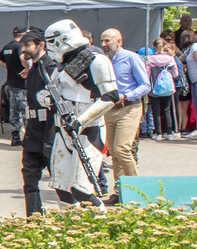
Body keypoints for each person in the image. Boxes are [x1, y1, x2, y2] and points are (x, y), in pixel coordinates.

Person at [42, 21, 115, 207]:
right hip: (64, 129)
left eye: (51, 42)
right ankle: (70, 223)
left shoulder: (97, 61)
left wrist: (80, 121)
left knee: (82, 190)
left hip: (88, 129)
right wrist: (45, 98)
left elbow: (110, 97)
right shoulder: (61, 65)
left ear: (62, 39)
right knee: (62, 187)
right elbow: (49, 92)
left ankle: (100, 220)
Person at [98, 28, 148, 190]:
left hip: (129, 108)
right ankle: (120, 192)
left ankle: (137, 190)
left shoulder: (131, 58)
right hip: (110, 109)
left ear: (119, 41)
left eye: (107, 41)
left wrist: (126, 96)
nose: (104, 44)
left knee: (122, 149)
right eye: (102, 41)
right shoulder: (104, 61)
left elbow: (145, 85)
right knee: (113, 152)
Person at [17, 30, 51, 215]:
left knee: (61, 181)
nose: (24, 49)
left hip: (49, 130)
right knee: (29, 177)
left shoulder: (50, 68)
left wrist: (51, 137)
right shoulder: (34, 69)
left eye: (28, 45)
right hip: (33, 130)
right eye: (23, 45)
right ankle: (34, 219)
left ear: (41, 45)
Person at [0, 27, 28, 147]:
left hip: (10, 83)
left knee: (13, 111)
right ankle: (27, 138)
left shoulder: (8, 46)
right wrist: (28, 68)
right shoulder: (20, 46)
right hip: (21, 84)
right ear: (23, 34)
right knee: (25, 111)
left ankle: (15, 138)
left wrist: (8, 66)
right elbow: (22, 58)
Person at [144, 38, 181, 141]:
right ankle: (169, 133)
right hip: (167, 88)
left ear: (154, 46)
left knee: (156, 111)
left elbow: (147, 75)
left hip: (154, 88)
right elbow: (176, 74)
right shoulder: (170, 58)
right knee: (166, 110)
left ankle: (158, 133)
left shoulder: (150, 59)